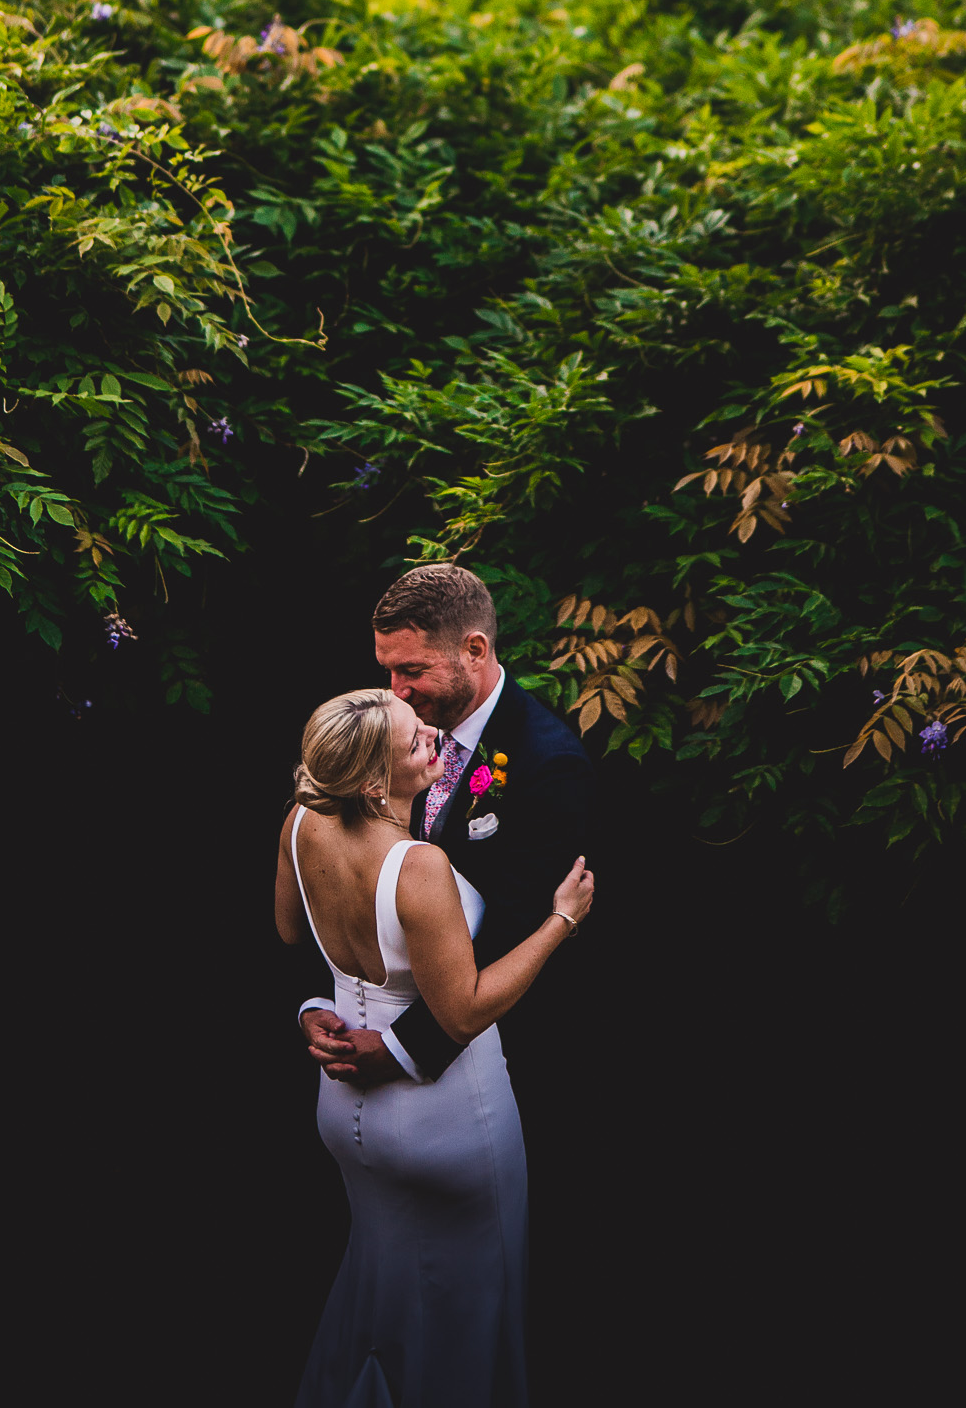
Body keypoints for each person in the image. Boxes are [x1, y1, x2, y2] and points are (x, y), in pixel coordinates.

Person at [278, 681, 593, 1406]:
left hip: (340, 1111)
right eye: (413, 738)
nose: (430, 737)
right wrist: (560, 922)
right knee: (474, 1308)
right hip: (443, 1121)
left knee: (379, 1285)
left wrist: (313, 1008)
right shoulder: (415, 865)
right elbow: (462, 1010)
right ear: (369, 778)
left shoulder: (299, 823)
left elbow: (292, 935)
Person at [301, 563, 593, 1090]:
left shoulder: (548, 763)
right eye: (387, 669)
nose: (396, 691)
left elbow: (514, 927)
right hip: (358, 1028)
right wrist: (318, 1003)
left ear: (475, 650)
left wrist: (399, 1051)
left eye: (412, 670)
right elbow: (331, 880)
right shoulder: (384, 739)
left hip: (481, 1059)